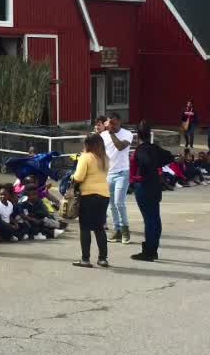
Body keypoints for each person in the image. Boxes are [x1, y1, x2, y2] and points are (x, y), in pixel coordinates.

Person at [129, 122, 175, 261]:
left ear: (138, 136)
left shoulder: (141, 150)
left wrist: (141, 173)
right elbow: (169, 156)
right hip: (155, 185)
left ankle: (149, 251)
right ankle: (153, 248)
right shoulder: (154, 148)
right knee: (155, 217)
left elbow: (146, 161)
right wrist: (156, 165)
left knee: (149, 219)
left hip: (144, 185)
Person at [71, 132, 110, 268]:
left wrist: (72, 178)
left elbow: (79, 177)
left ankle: (85, 259)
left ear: (87, 144)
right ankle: (103, 258)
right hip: (104, 195)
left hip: (89, 195)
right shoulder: (105, 158)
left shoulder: (86, 157)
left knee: (85, 227)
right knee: (99, 227)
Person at [102, 113, 133, 243]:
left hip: (122, 172)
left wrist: (111, 133)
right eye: (110, 123)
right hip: (109, 173)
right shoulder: (103, 135)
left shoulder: (127, 134)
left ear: (120, 121)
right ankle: (117, 231)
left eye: (114, 123)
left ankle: (126, 231)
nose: (112, 126)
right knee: (111, 204)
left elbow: (120, 147)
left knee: (119, 203)